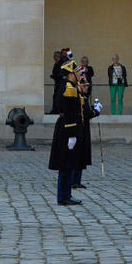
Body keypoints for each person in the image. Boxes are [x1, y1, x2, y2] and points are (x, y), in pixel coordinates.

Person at [49, 57, 92, 205]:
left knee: (68, 164)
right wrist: (72, 134)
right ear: (71, 74)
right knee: (65, 165)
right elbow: (69, 113)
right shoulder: (69, 88)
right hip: (67, 130)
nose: (80, 75)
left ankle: (66, 194)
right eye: (77, 72)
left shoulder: (70, 86)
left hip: (69, 130)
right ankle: (63, 196)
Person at [71, 73, 102, 190]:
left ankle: (77, 180)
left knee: (81, 156)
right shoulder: (80, 98)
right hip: (79, 130)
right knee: (77, 156)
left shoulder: (83, 97)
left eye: (87, 86)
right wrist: (96, 111)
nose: (87, 87)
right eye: (85, 86)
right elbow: (87, 114)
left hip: (83, 130)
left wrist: (94, 108)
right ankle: (74, 180)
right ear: (79, 86)